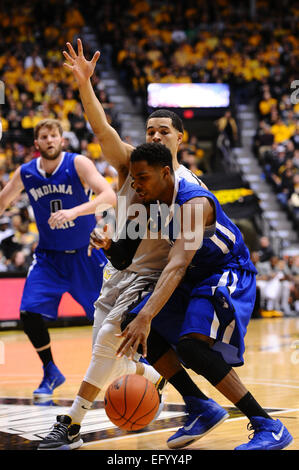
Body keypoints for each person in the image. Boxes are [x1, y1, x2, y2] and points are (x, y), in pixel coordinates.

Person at [37, 39, 217, 451]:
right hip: (118, 272)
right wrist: (85, 84)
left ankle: (72, 424)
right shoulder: (130, 162)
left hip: (153, 277)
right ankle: (157, 378)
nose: (155, 135)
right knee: (111, 349)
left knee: (107, 344)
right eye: (150, 130)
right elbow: (102, 127)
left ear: (180, 139)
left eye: (164, 131)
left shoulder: (190, 188)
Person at [116, 142, 293, 451]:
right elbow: (127, 255)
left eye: (142, 177)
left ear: (165, 172)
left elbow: (178, 263)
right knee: (131, 320)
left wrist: (149, 315)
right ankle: (200, 405)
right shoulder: (152, 204)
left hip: (227, 270)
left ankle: (269, 425)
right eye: (133, 178)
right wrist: (107, 244)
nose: (135, 184)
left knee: (192, 346)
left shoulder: (194, 203)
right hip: (195, 276)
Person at [0, 118, 116, 398]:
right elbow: (3, 201)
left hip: (86, 256)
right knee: (28, 313)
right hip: (49, 258)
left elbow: (109, 196)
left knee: (109, 322)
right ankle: (51, 371)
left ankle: (143, 368)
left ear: (62, 140)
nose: (50, 140)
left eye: (54, 135)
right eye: (44, 136)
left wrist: (75, 212)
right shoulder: (26, 173)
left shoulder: (78, 163)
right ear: (36, 143)